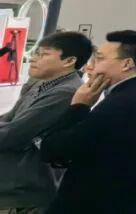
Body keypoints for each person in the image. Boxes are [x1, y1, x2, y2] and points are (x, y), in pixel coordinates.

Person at [40, 30, 136, 214]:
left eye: (99, 59)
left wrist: (79, 106)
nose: (89, 68)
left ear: (127, 64)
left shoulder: (123, 103)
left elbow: (55, 150)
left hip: (97, 204)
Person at [0, 32, 91, 213]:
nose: (33, 58)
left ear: (69, 61)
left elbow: (14, 134)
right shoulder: (41, 81)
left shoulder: (65, 92)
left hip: (23, 188)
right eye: (36, 53)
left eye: (43, 54)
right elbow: (10, 118)